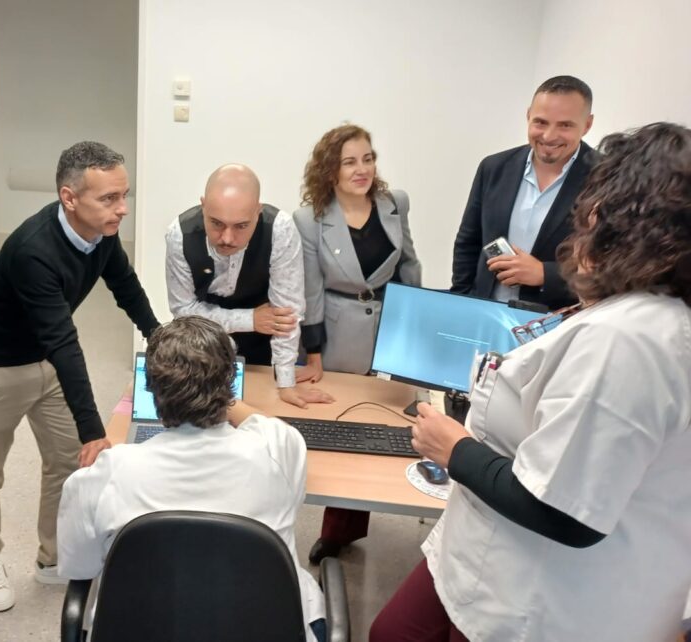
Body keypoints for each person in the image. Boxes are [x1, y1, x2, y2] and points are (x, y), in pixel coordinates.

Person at [372, 122, 691, 641]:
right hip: (485, 548)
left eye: (594, 203)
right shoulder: (638, 316)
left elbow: (568, 513)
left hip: (538, 597)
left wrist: (454, 448)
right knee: (393, 630)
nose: (582, 218)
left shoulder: (629, 340)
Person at [0, 141, 160, 609]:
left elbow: (125, 287)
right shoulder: (34, 250)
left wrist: (159, 337)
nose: (122, 209)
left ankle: (54, 558)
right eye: (109, 199)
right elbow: (65, 343)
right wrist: (94, 428)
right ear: (70, 198)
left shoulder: (102, 234)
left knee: (70, 463)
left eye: (124, 196)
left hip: (45, 362)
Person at [58, 316, 327, 640]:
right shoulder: (278, 450)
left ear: (152, 391)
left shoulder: (107, 473)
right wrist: (212, 385)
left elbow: (79, 568)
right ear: (230, 387)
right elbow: (265, 424)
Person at [292, 123, 422, 563]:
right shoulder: (310, 219)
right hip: (338, 329)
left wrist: (413, 331)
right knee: (343, 425)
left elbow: (409, 266)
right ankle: (335, 532)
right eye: (350, 161)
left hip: (388, 327)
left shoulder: (394, 203)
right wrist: (312, 354)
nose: (362, 169)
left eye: (368, 158)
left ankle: (358, 518)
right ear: (331, 170)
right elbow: (310, 291)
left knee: (384, 425)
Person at [165, 164, 333, 408]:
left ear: (258, 211)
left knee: (261, 413)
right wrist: (251, 319)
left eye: (241, 226)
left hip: (263, 345)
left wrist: (286, 383)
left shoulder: (280, 229)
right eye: (217, 223)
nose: (227, 238)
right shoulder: (179, 234)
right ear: (203, 206)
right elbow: (183, 311)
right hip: (202, 345)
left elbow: (286, 313)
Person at [451, 75, 597, 309]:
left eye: (565, 125)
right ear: (528, 115)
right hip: (484, 313)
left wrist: (545, 274)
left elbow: (611, 265)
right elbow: (469, 242)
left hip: (557, 324)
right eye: (540, 122)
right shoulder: (493, 167)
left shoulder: (607, 178)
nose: (549, 136)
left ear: (587, 125)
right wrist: (461, 301)